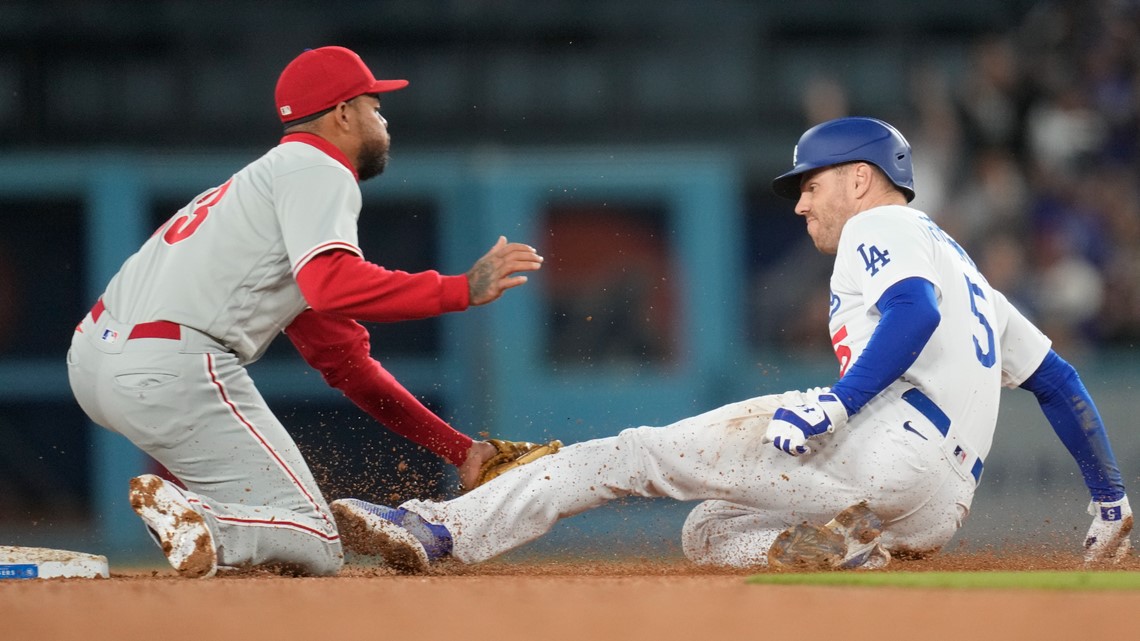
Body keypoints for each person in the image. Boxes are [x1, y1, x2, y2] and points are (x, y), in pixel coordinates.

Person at [328, 116, 1132, 573]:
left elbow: (913, 311)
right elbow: (1059, 380)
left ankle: (439, 528)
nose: (799, 205)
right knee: (710, 532)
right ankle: (848, 554)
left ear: (860, 178)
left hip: (883, 444)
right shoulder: (970, 273)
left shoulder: (880, 223)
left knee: (635, 453)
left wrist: (835, 404)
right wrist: (1108, 498)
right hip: (938, 508)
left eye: (809, 185)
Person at [66, 46, 553, 579]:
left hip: (97, 361)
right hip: (170, 366)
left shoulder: (261, 190)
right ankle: (208, 519)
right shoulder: (319, 167)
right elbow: (334, 285)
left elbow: (347, 365)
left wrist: (459, 451)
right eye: (375, 107)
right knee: (315, 539)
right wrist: (461, 289)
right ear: (343, 113)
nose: (383, 120)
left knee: (273, 532)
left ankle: (214, 529)